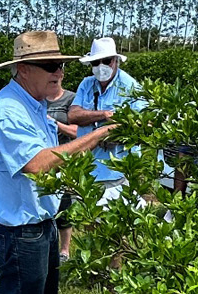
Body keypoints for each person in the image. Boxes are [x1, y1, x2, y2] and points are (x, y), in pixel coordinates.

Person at [0, 31, 115, 293]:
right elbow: (36, 163)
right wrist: (99, 134)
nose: (60, 73)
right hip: (21, 232)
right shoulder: (9, 111)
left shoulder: (33, 106)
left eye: (61, 65)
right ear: (23, 70)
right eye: (51, 66)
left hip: (41, 224)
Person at [64, 37, 149, 207]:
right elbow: (73, 116)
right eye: (96, 62)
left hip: (117, 174)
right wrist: (103, 115)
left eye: (106, 61)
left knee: (115, 228)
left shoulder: (131, 86)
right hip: (88, 170)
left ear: (116, 61)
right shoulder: (86, 84)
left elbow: (145, 125)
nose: (101, 66)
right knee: (89, 223)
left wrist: (115, 134)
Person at [45, 86, 78, 262]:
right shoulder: (38, 98)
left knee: (64, 205)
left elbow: (77, 132)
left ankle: (64, 250)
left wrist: (55, 123)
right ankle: (49, 246)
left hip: (63, 159)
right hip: (43, 158)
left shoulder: (71, 99)